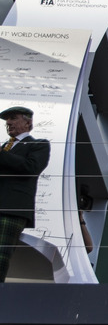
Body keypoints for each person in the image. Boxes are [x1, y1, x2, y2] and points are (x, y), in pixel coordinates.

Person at [0, 106, 50, 282]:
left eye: (13, 118)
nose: (8, 123)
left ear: (28, 122)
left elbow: (31, 168)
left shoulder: (39, 145)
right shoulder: (3, 148)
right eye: (7, 120)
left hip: (11, 210)